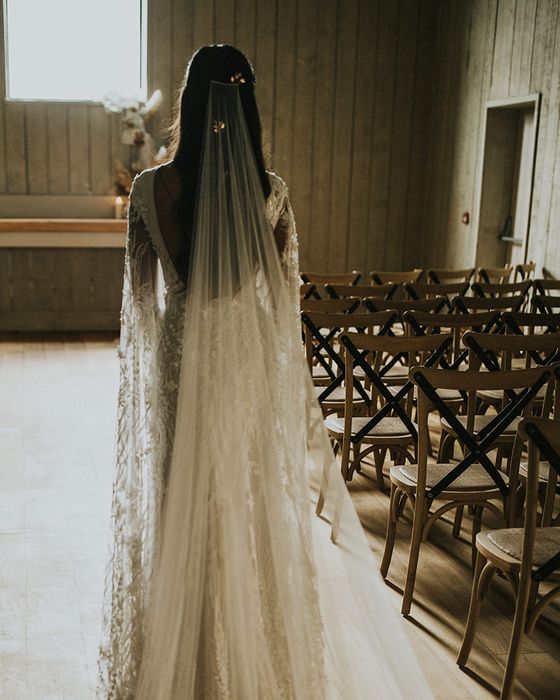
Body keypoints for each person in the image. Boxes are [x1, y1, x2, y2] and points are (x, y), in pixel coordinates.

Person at [99, 45, 432, 699]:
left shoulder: (148, 189)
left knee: (180, 502)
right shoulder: (270, 193)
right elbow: (282, 312)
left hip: (177, 357)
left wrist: (150, 376)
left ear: (189, 105)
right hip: (241, 365)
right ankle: (240, 658)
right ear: (248, 105)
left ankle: (188, 664)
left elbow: (139, 304)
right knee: (239, 510)